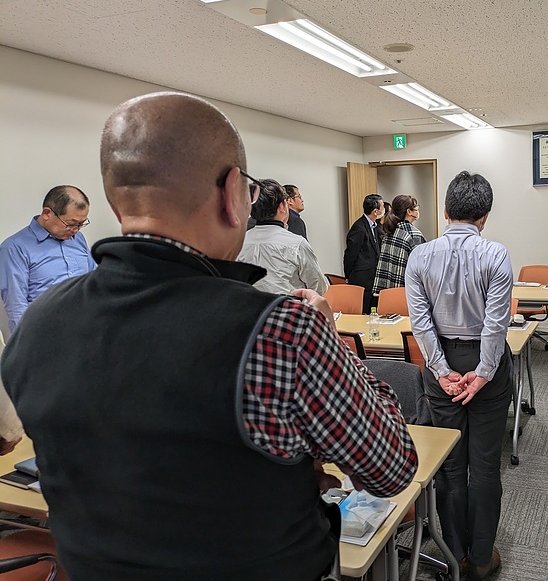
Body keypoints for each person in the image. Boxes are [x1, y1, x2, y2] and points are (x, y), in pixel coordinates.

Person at [1, 92, 417, 581]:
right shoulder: (281, 330)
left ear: (114, 202)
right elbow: (390, 466)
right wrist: (331, 352)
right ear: (233, 192)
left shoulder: (38, 323)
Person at [406, 171, 512, 580]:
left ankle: (453, 554)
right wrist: (483, 373)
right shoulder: (496, 254)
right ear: (485, 216)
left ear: (445, 212)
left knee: (450, 464)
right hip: (487, 363)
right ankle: (481, 559)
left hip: (442, 363)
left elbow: (421, 324)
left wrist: (441, 370)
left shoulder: (420, 256)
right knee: (485, 466)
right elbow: (496, 325)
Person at [0, 186, 95, 333]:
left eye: (81, 224)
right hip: (47, 333)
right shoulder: (14, 248)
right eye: (71, 224)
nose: (76, 230)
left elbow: (93, 280)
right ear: (47, 214)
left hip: (87, 328)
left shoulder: (77, 239)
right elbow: (16, 308)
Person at [238, 178, 328, 296]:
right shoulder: (297, 244)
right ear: (282, 207)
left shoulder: (238, 244)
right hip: (289, 306)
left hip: (250, 306)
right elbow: (318, 288)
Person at [373, 194, 425, 295]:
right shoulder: (414, 235)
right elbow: (421, 268)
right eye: (416, 208)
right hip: (406, 293)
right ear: (409, 212)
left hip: (386, 293)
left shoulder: (389, 232)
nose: (417, 211)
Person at [343, 194, 385, 313]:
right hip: (362, 278)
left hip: (372, 277)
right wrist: (348, 276)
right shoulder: (359, 228)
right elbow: (350, 254)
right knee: (364, 310)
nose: (384, 210)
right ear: (375, 211)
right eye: (382, 207)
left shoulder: (375, 227)